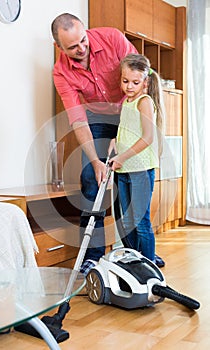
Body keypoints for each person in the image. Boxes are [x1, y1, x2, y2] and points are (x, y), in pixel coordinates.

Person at [51, 13, 164, 274]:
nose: (81, 49)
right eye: (72, 47)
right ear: (59, 47)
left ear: (85, 31)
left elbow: (140, 74)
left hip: (129, 110)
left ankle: (140, 253)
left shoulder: (112, 38)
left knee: (132, 183)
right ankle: (92, 255)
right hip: (98, 118)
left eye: (82, 40)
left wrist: (132, 126)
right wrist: (95, 160)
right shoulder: (61, 73)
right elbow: (78, 120)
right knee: (92, 179)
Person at [108, 53, 166, 266]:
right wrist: (115, 142)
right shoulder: (127, 102)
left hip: (140, 169)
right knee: (128, 221)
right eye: (125, 81)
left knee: (141, 222)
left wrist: (122, 156)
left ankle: (149, 266)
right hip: (124, 170)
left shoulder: (144, 101)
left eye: (135, 82)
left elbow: (148, 137)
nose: (129, 86)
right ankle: (134, 263)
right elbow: (129, 130)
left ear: (145, 82)